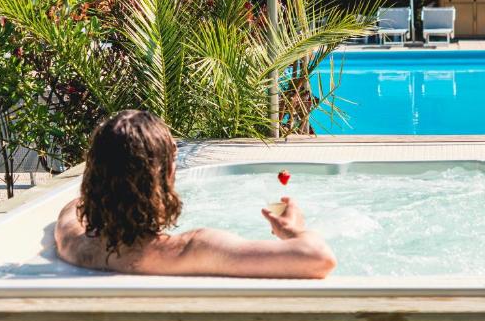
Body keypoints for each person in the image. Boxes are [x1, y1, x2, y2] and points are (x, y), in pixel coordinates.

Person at [55, 110, 337, 278]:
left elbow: (70, 211)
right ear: (164, 177)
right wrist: (292, 230)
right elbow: (319, 258)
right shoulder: (194, 249)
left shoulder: (77, 244)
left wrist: (107, 186)